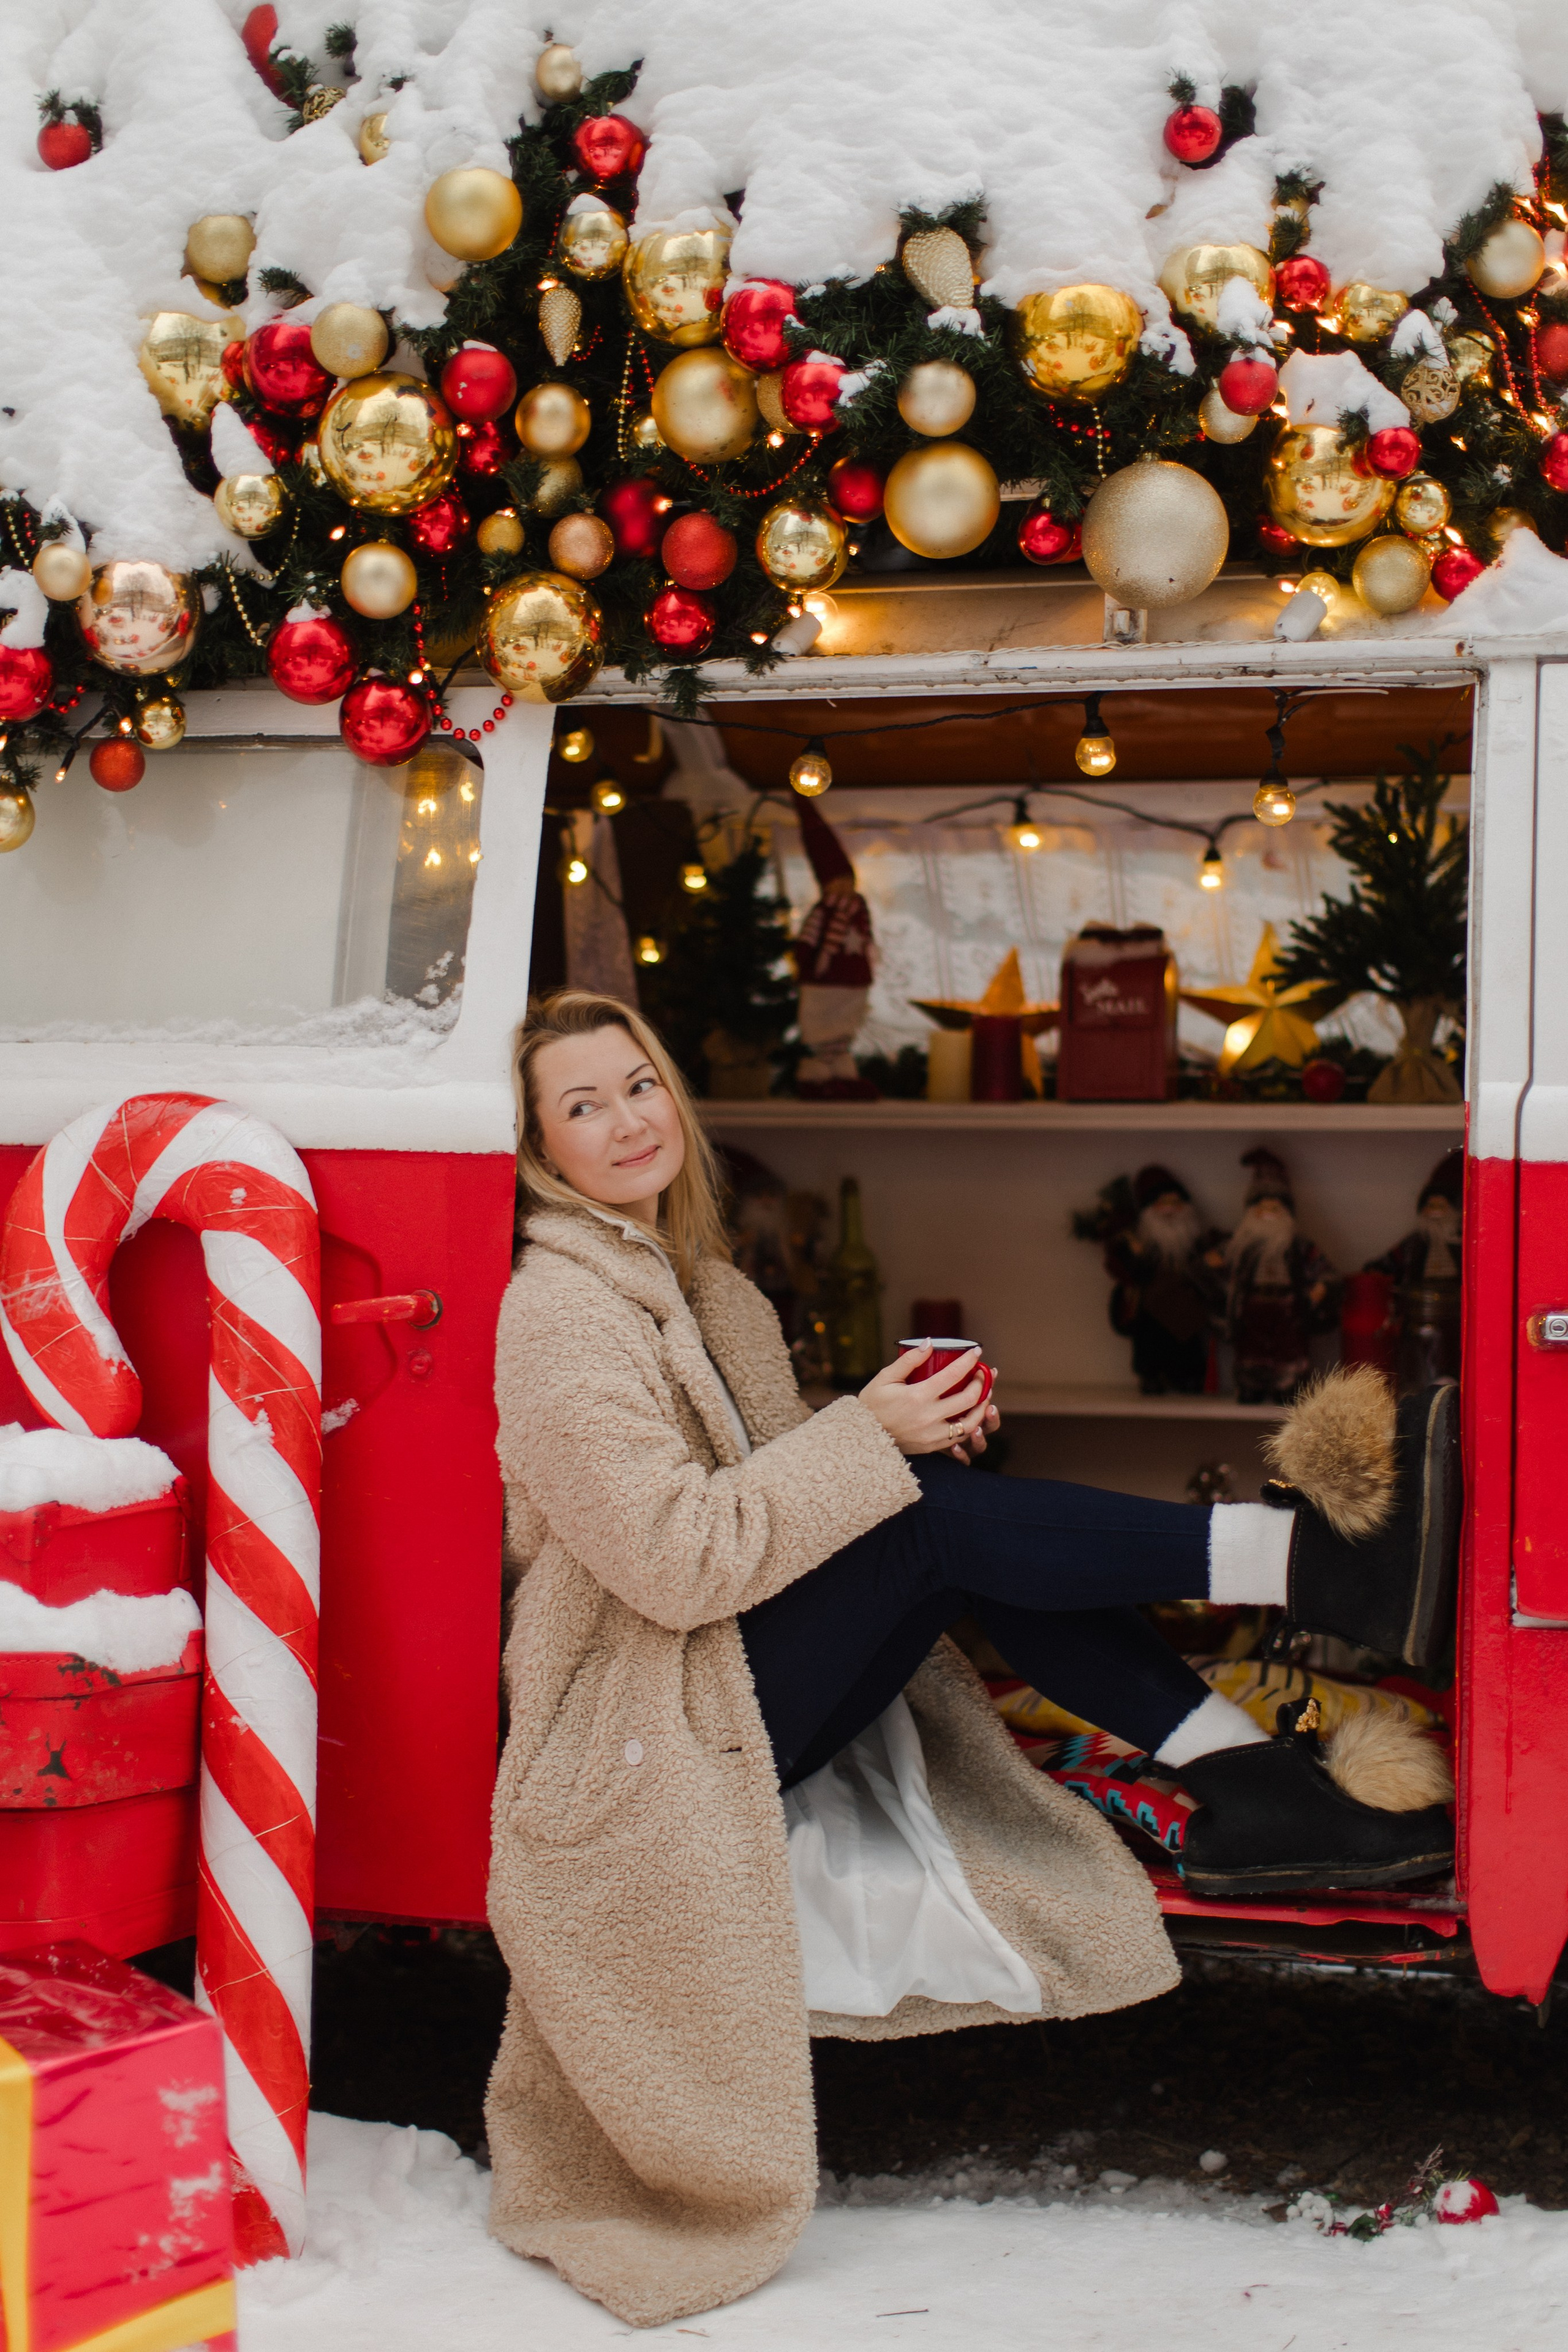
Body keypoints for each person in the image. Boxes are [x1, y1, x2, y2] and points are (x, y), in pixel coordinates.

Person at [484, 990, 1458, 2328]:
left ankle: (1257, 1780)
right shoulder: (557, 1316)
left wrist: (898, 1427)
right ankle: (1307, 1564)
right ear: (540, 1147)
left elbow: (788, 1501)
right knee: (938, 1523)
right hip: (640, 1720)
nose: (625, 1121)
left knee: (962, 1523)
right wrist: (867, 1441)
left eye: (636, 1085)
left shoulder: (704, 1289)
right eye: (580, 1106)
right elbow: (675, 1561)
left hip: (720, 1672)